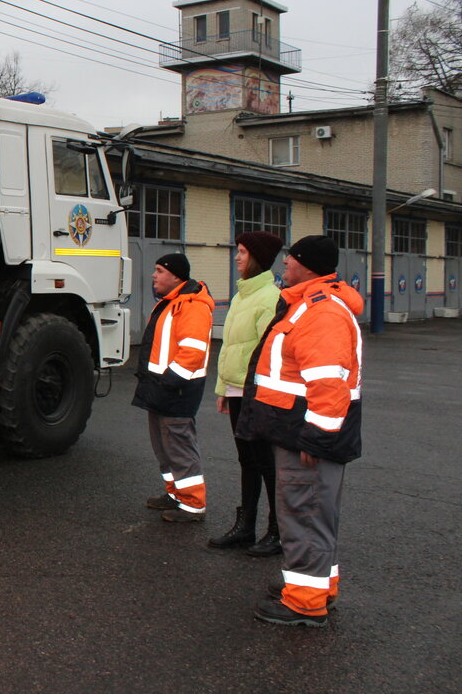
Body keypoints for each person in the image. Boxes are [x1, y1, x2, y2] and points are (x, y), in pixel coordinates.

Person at [238, 235, 363, 628]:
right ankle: (314, 587)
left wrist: (318, 438)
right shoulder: (307, 305)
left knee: (305, 513)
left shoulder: (320, 313)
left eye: (290, 259)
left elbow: (329, 383)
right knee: (311, 514)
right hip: (298, 431)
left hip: (306, 437)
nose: (285, 264)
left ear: (307, 265)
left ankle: (305, 603)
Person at [208, 231, 284, 555]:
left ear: (256, 257)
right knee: (247, 460)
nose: (236, 257)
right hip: (239, 391)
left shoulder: (270, 297)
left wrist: (261, 395)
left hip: (258, 395)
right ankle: (246, 527)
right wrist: (223, 388)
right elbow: (230, 348)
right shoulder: (241, 296)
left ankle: (278, 531)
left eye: (241, 252)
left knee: (267, 462)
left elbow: (271, 352)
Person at [132, 253, 215, 522]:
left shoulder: (191, 305)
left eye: (160, 270)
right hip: (162, 388)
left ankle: (193, 504)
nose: (154, 275)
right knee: (164, 447)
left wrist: (168, 382)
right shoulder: (172, 303)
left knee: (179, 447)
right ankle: (176, 492)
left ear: (176, 276)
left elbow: (192, 352)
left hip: (176, 390)